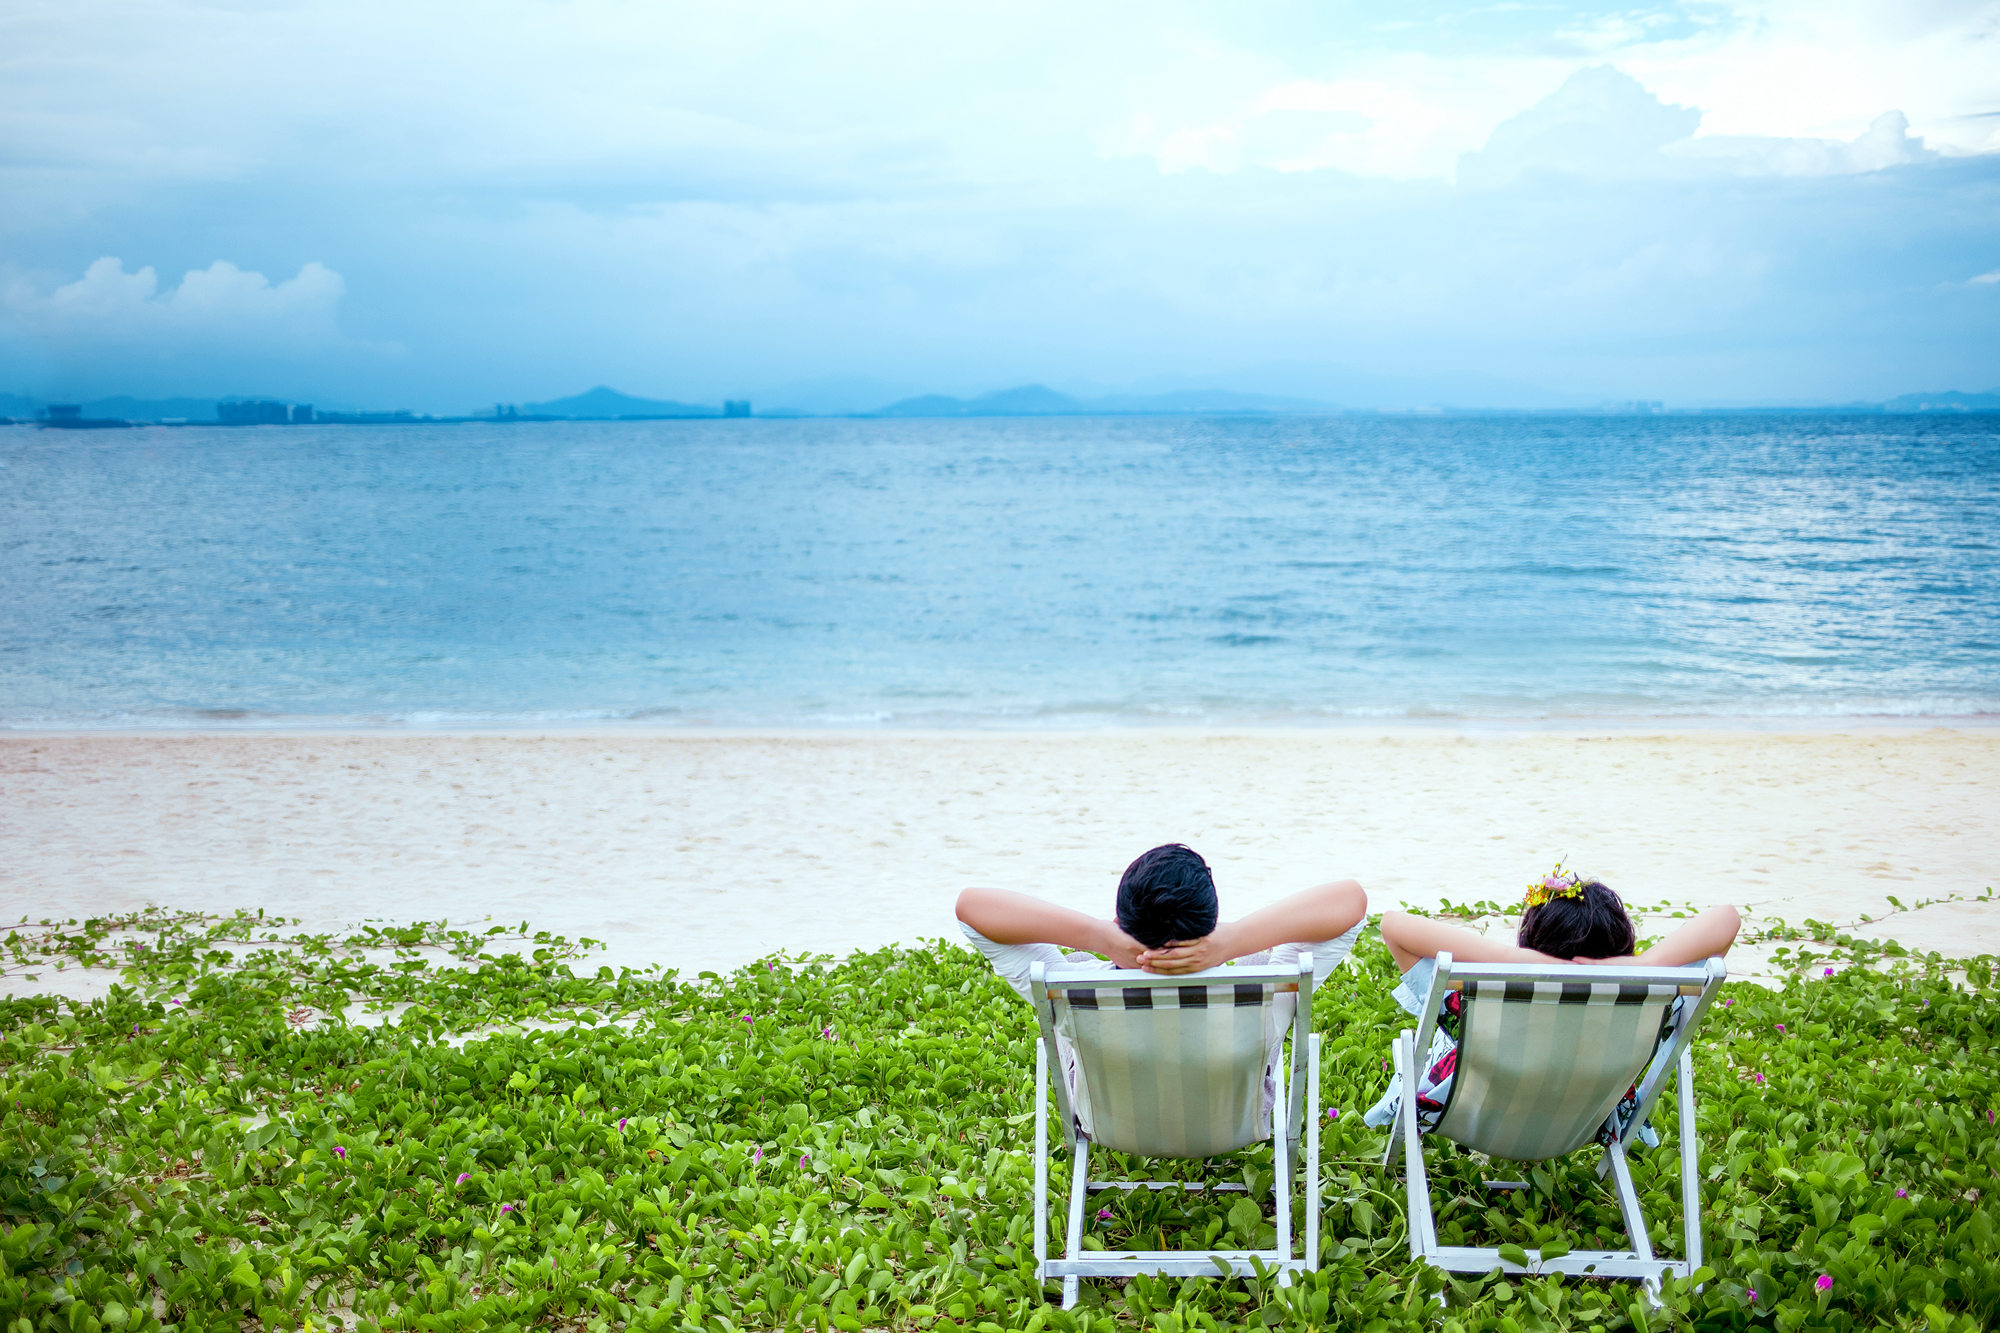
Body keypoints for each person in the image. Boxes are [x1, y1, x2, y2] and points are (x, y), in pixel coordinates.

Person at [955, 843, 1367, 1127]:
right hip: (1236, 1122)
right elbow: (1351, 900)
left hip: (1110, 1123)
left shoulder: (1074, 989)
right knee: (1263, 970)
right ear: (1211, 924)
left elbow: (971, 908)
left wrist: (1099, 937)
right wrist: (1235, 940)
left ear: (1120, 921)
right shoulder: (1262, 989)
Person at [1363, 866, 1741, 1132]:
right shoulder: (1649, 994)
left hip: (1471, 1117)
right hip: (1586, 1123)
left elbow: (1393, 924)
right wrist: (1640, 965)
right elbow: (1727, 918)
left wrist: (1518, 961)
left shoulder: (1480, 997)